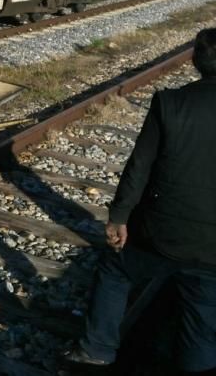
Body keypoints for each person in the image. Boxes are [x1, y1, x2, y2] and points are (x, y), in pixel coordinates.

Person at [66, 28, 216, 372]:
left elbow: (139, 167)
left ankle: (97, 349)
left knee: (115, 268)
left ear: (195, 62)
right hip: (213, 252)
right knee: (203, 324)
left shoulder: (170, 103)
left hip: (160, 236)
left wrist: (119, 217)